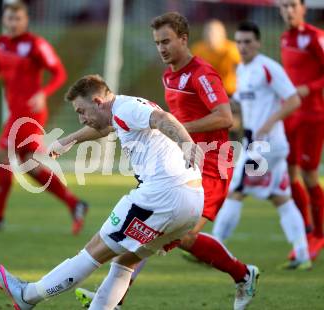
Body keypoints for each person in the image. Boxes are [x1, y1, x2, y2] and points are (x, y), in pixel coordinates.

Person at [76, 12, 259, 310]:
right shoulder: (169, 75)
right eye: (157, 42)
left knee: (173, 234)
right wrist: (71, 138)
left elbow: (225, 117)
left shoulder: (201, 73)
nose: (161, 48)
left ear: (183, 40)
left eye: (166, 41)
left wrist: (180, 130)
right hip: (183, 165)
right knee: (162, 232)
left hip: (212, 166)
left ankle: (112, 298)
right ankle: (114, 296)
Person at [0, 74, 207, 310]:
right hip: (192, 202)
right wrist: (70, 140)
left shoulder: (127, 109)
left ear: (97, 102)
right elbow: (106, 127)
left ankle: (28, 295)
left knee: (92, 253)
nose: (81, 119)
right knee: (124, 262)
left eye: (81, 111)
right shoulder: (121, 109)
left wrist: (186, 143)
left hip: (162, 195)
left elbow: (162, 118)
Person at [0, 1, 88, 235]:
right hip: (15, 112)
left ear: (26, 21)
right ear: (4, 20)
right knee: (29, 166)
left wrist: (43, 93)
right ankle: (75, 204)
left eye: (18, 19)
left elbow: (59, 72)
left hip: (29, 113)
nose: (13, 23)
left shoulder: (36, 45)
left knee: (1, 156)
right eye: (9, 19)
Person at [211, 21, 310, 270]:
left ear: (258, 43)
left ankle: (213, 248)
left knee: (236, 190)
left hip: (266, 145)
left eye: (248, 42)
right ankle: (302, 253)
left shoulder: (268, 67)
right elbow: (245, 104)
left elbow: (294, 100)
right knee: (281, 198)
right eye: (239, 42)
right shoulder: (242, 71)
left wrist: (268, 123)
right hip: (257, 144)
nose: (243, 47)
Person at [279, 0, 324, 260]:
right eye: (284, 6)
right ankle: (306, 232)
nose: (289, 11)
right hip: (291, 116)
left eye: (293, 5)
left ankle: (319, 233)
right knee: (290, 173)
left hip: (312, 116)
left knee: (309, 175)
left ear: (303, 8)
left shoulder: (315, 37)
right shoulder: (285, 38)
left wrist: (310, 88)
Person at [191, 19, 241, 97]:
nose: (210, 36)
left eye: (214, 33)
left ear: (223, 34)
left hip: (229, 92)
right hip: (206, 92)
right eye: (208, 32)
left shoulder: (232, 50)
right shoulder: (198, 50)